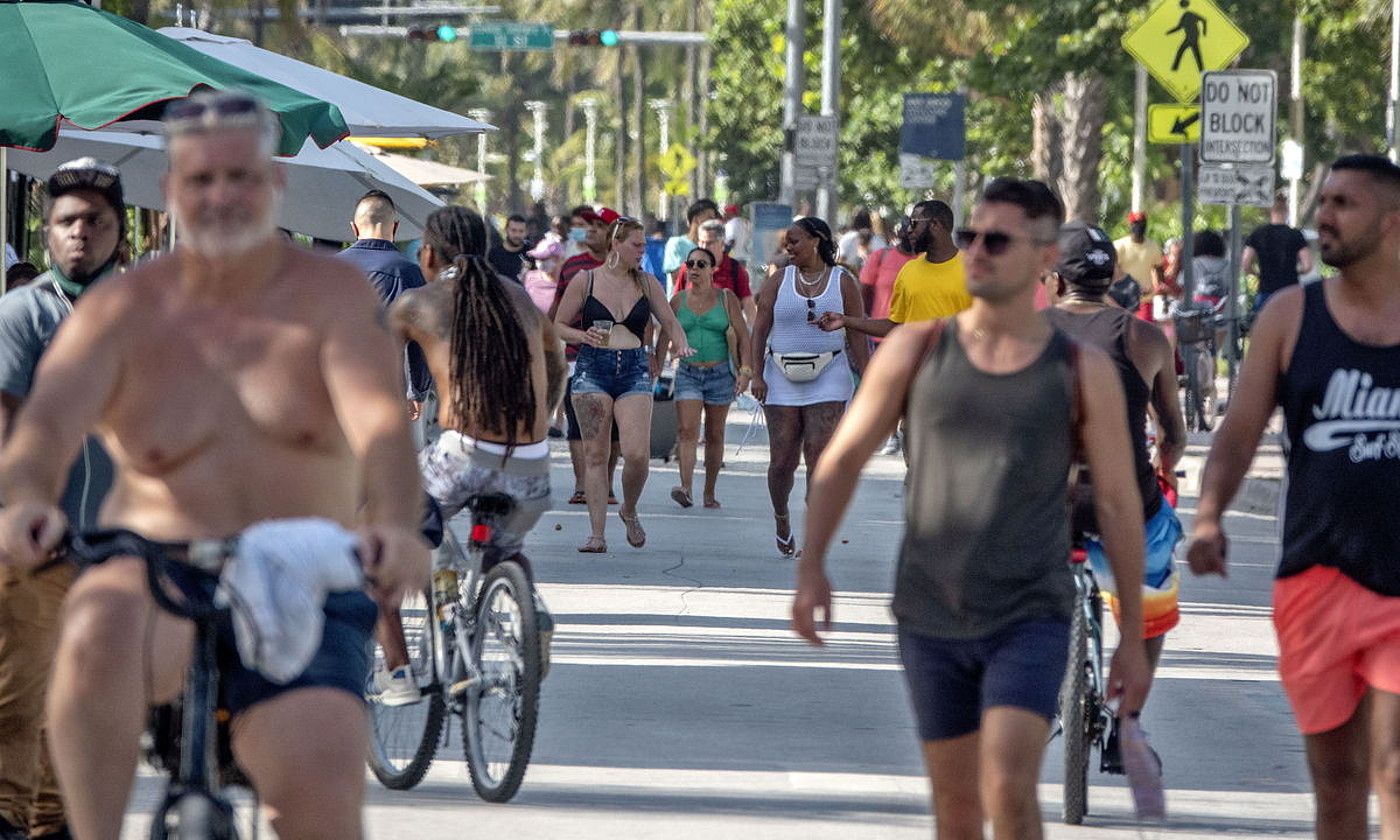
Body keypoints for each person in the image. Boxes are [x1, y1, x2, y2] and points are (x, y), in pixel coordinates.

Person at [0, 91, 428, 840]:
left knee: (321, 768)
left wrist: (395, 523)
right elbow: (44, 427)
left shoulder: (331, 297)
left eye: (241, 178)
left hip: (305, 566)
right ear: (170, 195)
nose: (222, 196)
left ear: (275, 187)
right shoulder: (124, 309)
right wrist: (26, 500)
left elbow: (381, 421)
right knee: (92, 643)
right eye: (202, 180)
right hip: (156, 565)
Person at [793, 178, 1150, 839]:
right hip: (930, 610)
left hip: (1030, 610)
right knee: (956, 812)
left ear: (1045, 257)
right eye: (970, 237)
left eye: (997, 240)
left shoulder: (1079, 370)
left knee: (1009, 788)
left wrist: (1131, 633)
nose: (976, 251)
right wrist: (812, 564)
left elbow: (1122, 501)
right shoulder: (918, 349)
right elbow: (842, 461)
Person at [1188, 154, 1400, 840]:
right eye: (1325, 200)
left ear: (1392, 223)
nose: (1324, 215)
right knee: (1337, 789)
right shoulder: (1288, 317)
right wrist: (1210, 515)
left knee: (1394, 770)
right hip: (1316, 576)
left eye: (1345, 203)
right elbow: (1239, 432)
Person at [379, 205, 566, 700]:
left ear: (428, 253)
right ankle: (532, 615)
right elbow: (557, 363)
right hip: (532, 467)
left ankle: (397, 671)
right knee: (507, 551)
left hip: (462, 458)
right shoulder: (522, 299)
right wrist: (540, 421)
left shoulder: (416, 303)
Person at [0, 158, 125, 840]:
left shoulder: (146, 316)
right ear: (46, 233)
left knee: (83, 707)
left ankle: (57, 821)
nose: (80, 234)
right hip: (34, 542)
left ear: (119, 233)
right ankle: (8, 816)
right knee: (19, 699)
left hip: (120, 548)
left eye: (95, 222)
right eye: (67, 221)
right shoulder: (21, 312)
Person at [1043, 221, 1188, 765]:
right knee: (1150, 596)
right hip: (1122, 501)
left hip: (1046, 505)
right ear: (1113, 281)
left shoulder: (1022, 333)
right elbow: (1172, 432)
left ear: (1055, 281)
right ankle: (1129, 718)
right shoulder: (1144, 338)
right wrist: (1164, 462)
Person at [554, 218, 694, 552]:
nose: (643, 251)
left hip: (633, 369)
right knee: (595, 454)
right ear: (616, 244)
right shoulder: (585, 281)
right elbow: (557, 325)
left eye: (644, 245)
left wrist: (680, 343)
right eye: (636, 245)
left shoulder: (646, 282)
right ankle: (597, 534)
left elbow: (670, 321)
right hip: (592, 369)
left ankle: (629, 509)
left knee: (636, 455)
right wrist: (581, 335)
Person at [750, 217, 869, 558]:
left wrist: (869, 379)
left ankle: (813, 535)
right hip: (781, 374)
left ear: (816, 241)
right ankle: (781, 517)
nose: (787, 247)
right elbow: (760, 329)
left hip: (829, 374)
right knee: (782, 462)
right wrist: (756, 374)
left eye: (794, 241)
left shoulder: (843, 282)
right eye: (786, 242)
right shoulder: (779, 280)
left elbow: (857, 333)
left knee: (819, 459)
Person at [658, 246, 752, 510]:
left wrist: (746, 371)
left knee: (715, 433)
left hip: (720, 373)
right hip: (688, 372)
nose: (695, 269)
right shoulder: (677, 301)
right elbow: (665, 332)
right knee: (687, 431)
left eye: (701, 264)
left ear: (712, 270)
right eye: (691, 264)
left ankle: (709, 492)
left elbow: (744, 336)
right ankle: (686, 488)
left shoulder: (726, 298)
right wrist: (658, 360)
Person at [550, 206, 622, 506]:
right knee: (580, 424)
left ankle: (604, 483)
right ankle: (582, 485)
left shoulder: (627, 268)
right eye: (589, 225)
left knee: (613, 426)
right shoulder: (572, 266)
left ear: (613, 234)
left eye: (598, 226)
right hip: (575, 357)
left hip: (618, 358)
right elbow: (555, 311)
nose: (591, 230)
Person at [815, 199, 969, 339]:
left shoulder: (972, 269)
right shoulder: (909, 271)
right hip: (915, 367)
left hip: (956, 368)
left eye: (914, 223)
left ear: (935, 224)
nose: (908, 230)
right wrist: (845, 320)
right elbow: (894, 326)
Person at [339, 189, 432, 419]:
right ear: (396, 227)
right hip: (385, 391)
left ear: (354, 227)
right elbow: (420, 340)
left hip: (332, 389)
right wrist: (418, 391)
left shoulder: (330, 269)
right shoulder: (410, 274)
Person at [674, 218, 757, 324]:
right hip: (691, 334)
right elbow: (676, 302)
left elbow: (748, 304)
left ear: (722, 244)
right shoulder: (688, 268)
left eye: (709, 243)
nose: (704, 247)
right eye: (701, 242)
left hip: (724, 336)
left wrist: (752, 334)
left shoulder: (734, 269)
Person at [1243, 195, 1314, 316]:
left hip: (1265, 290)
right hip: (1291, 291)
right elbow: (1307, 265)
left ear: (1270, 211)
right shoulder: (1295, 235)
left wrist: (1257, 274)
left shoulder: (1258, 233)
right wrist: (1296, 272)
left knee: (1263, 330)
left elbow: (1246, 263)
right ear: (1286, 212)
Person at [858, 216, 917, 339]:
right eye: (907, 230)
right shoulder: (881, 256)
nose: (910, 234)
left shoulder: (925, 259)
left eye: (915, 231)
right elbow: (864, 291)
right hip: (882, 335)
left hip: (914, 337)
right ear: (899, 233)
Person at [1114, 211, 1165, 322]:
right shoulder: (1119, 246)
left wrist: (1158, 291)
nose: (1139, 227)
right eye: (1135, 223)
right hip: (1122, 300)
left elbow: (1159, 273)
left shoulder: (1153, 246)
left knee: (1142, 334)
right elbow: (1112, 271)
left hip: (1144, 300)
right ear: (1130, 225)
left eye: (1142, 223)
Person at [663, 199, 720, 292]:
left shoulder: (711, 246)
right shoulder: (676, 244)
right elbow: (677, 279)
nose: (712, 223)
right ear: (696, 219)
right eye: (709, 218)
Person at [1190, 229, 1229, 307]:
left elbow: (1183, 287)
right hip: (1223, 307)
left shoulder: (1194, 263)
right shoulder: (1228, 265)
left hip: (1197, 307)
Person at [487, 213, 530, 283]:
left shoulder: (531, 254)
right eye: (513, 230)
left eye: (521, 231)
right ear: (506, 230)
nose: (517, 235)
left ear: (526, 232)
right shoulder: (494, 255)